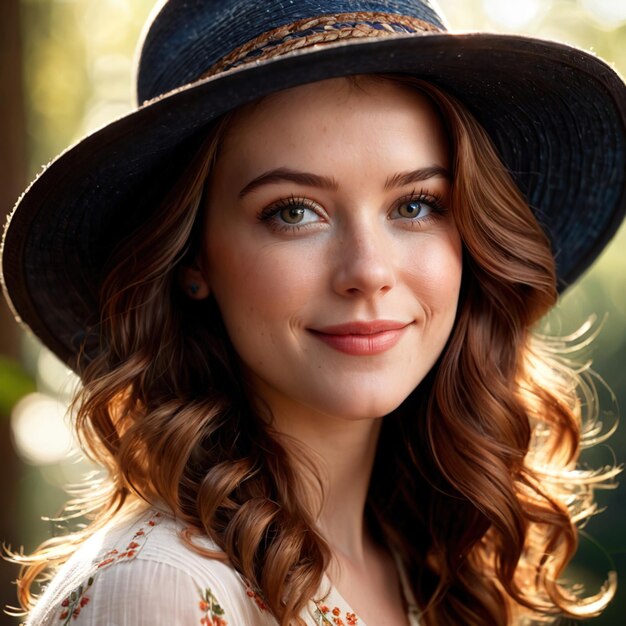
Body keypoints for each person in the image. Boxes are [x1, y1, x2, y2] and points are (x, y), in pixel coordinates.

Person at [3, 1, 625, 624]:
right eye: (294, 210)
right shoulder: (163, 589)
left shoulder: (433, 569)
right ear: (192, 258)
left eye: (415, 205)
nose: (369, 272)